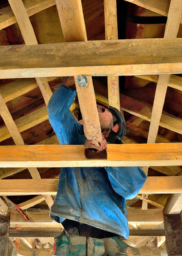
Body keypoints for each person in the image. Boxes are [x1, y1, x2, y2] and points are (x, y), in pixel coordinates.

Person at [47, 84, 147, 254]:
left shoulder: (120, 150)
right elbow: (56, 113)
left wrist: (105, 159)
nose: (94, 110)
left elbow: (130, 189)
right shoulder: (73, 136)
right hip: (73, 229)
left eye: (102, 109)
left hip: (109, 231)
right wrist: (70, 85)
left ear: (115, 126)